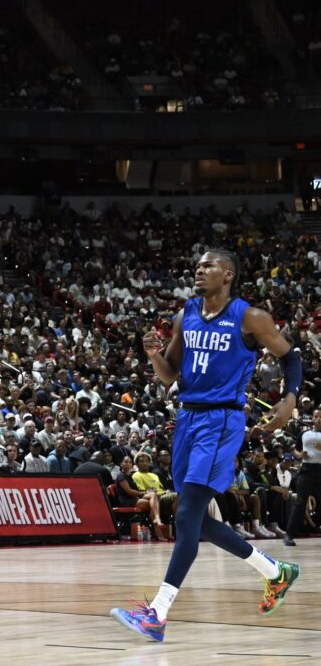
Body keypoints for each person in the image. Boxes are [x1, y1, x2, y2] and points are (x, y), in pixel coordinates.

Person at [112, 250, 301, 642]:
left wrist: (289, 399)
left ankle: (157, 614)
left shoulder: (250, 317)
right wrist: (152, 354)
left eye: (208, 265)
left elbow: (291, 357)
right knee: (192, 518)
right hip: (187, 418)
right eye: (196, 264)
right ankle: (274, 572)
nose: (198, 269)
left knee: (187, 517)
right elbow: (170, 375)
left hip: (221, 421)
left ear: (227, 274)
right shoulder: (186, 315)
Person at [284, 407, 321, 546]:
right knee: (300, 503)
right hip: (307, 470)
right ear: (312, 418)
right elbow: (294, 450)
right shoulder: (304, 434)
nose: (318, 419)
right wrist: (299, 455)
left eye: (320, 417)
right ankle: (289, 534)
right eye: (316, 416)